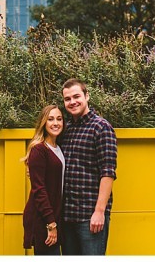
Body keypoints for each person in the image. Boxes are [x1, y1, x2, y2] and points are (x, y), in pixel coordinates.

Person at [59, 78, 117, 255]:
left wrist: (99, 212)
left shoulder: (101, 127)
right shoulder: (66, 129)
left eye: (76, 96)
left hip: (90, 217)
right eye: (67, 99)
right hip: (67, 217)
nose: (72, 102)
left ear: (87, 96)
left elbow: (108, 173)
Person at [22, 104, 65, 255]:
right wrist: (51, 223)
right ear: (43, 123)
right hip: (43, 219)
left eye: (59, 119)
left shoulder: (59, 147)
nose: (55, 123)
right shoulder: (39, 150)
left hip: (55, 218)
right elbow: (39, 190)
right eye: (50, 119)